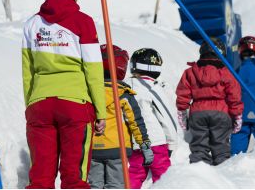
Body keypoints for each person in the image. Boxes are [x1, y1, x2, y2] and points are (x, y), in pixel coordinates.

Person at [22, 0, 106, 189]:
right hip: (75, 103)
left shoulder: (32, 24)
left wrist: (30, 104)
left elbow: (27, 71)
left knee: (40, 178)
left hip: (40, 104)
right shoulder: (83, 21)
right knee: (74, 177)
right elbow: (94, 70)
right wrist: (101, 111)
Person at [88, 44, 153, 189]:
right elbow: (135, 121)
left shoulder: (87, 92)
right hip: (118, 149)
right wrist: (144, 143)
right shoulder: (123, 94)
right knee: (116, 184)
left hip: (92, 148)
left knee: (93, 185)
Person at [176, 38, 243, 164]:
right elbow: (234, 97)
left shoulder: (190, 72)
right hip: (221, 113)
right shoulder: (226, 72)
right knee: (221, 147)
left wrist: (182, 113)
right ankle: (222, 174)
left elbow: (183, 94)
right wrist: (237, 116)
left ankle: (199, 174)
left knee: (199, 148)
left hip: (197, 114)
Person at [126, 48, 177, 189]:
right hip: (156, 142)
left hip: (135, 142)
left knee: (135, 173)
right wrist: (172, 143)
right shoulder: (152, 88)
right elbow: (166, 116)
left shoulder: (124, 87)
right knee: (163, 176)